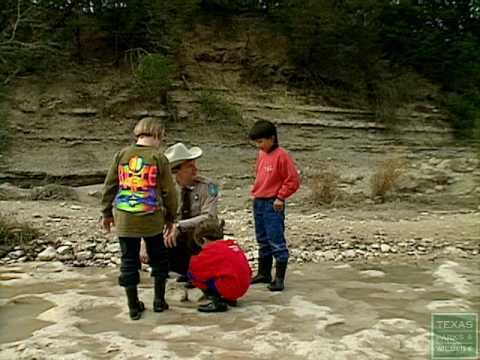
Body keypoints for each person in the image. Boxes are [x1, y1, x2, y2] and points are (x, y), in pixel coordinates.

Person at [101, 117, 177, 320]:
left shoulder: (121, 155)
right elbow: (169, 190)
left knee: (128, 260)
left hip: (125, 218)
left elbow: (110, 185)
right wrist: (171, 217)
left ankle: (133, 306)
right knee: (159, 259)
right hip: (151, 218)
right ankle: (159, 302)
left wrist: (106, 213)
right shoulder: (159, 158)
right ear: (158, 135)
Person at [248, 120, 300, 292]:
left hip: (273, 203)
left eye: (261, 141)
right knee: (262, 239)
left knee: (276, 240)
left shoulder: (282, 155)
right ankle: (264, 273)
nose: (259, 145)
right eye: (257, 142)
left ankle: (279, 278)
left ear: (272, 138)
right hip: (259, 200)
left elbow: (292, 180)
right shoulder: (261, 154)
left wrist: (281, 197)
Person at [162, 142, 222, 283]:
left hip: (199, 233)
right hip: (177, 233)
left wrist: (179, 225)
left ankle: (198, 272)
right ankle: (172, 269)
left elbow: (209, 217)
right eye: (189, 166)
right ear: (176, 171)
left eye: (194, 165)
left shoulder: (208, 187)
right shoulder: (166, 189)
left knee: (200, 232)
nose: (195, 170)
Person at [188, 220, 251, 312]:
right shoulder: (232, 245)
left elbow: (195, 269)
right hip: (243, 285)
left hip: (231, 287)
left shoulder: (212, 250)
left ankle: (217, 301)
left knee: (192, 274)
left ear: (204, 240)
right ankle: (230, 299)